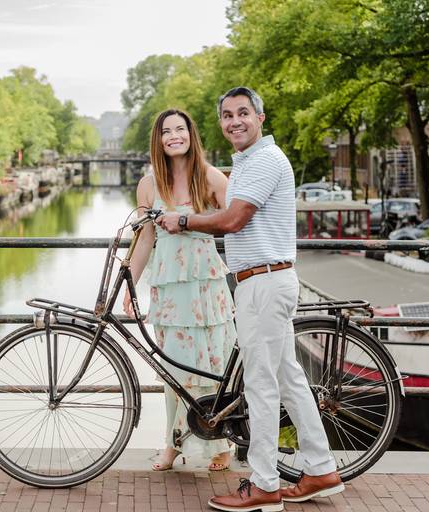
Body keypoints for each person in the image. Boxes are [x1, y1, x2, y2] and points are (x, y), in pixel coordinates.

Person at [158, 87, 344, 512]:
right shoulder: (247, 162)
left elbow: (234, 219)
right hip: (263, 281)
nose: (234, 121)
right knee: (289, 379)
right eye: (226, 115)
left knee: (262, 386)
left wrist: (183, 219)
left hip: (263, 282)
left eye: (243, 113)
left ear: (261, 118)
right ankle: (320, 468)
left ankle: (263, 485)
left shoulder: (264, 161)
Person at [122, 108, 237, 472]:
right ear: (158, 139)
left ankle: (219, 443)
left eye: (180, 129)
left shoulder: (211, 177)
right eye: (166, 131)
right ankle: (172, 444)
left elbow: (237, 221)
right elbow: (144, 240)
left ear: (191, 135)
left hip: (206, 285)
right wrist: (129, 283)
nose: (174, 136)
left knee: (209, 364)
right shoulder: (148, 184)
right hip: (169, 287)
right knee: (173, 369)